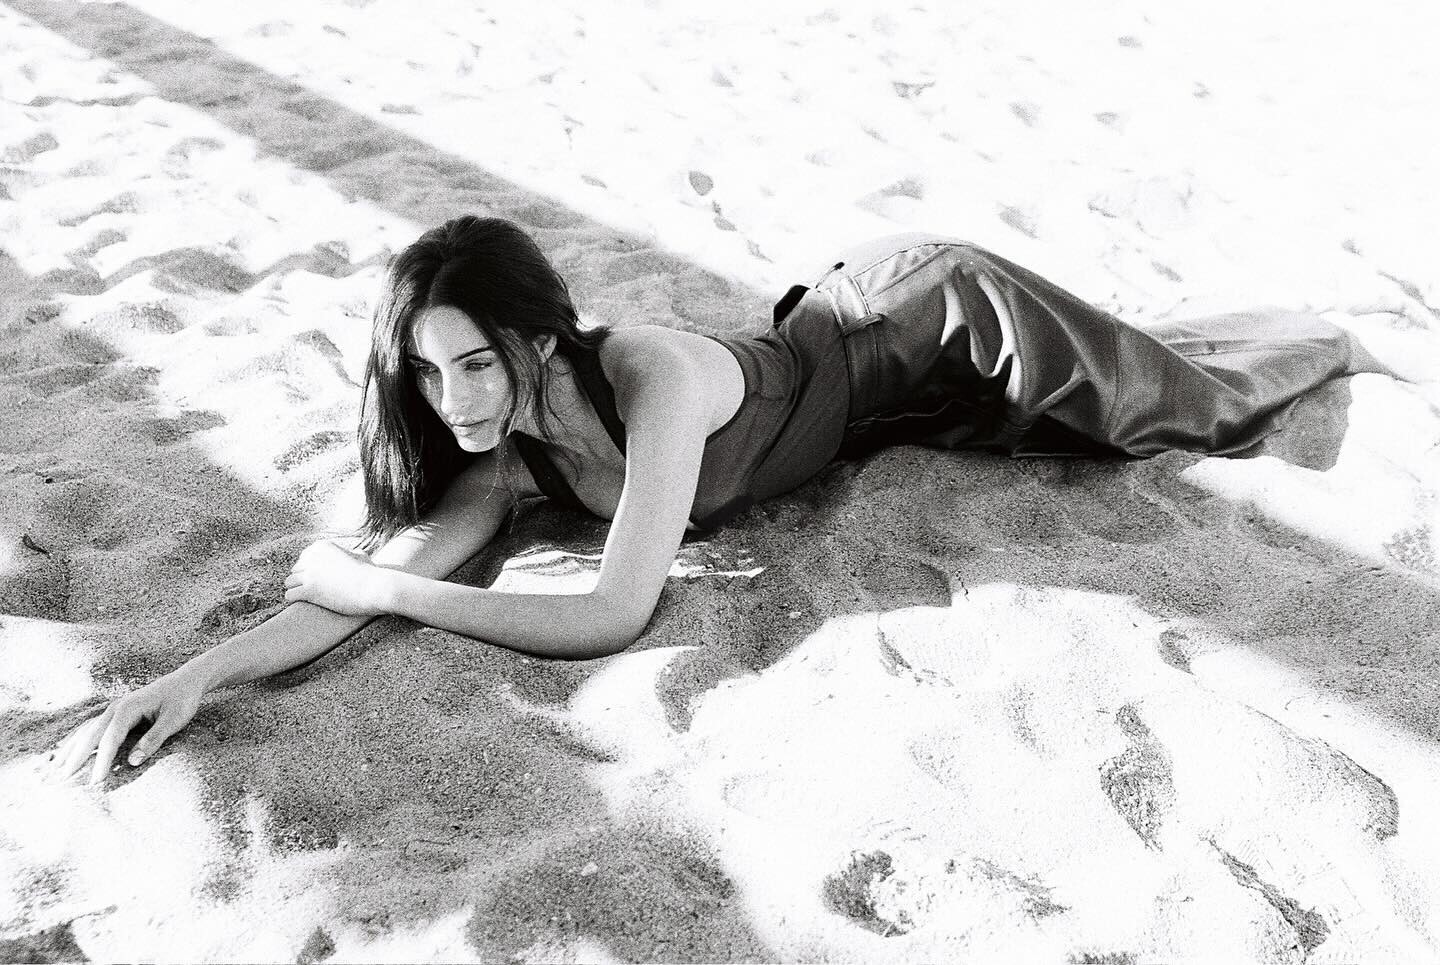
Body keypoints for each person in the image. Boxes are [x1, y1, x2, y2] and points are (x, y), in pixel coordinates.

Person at [49, 216, 1399, 785]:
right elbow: (346, 590)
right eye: (429, 371)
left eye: (477, 362)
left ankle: (1347, 333)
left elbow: (612, 613)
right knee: (1113, 403)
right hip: (874, 424)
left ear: (540, 335)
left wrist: (388, 591)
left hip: (922, 317)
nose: (453, 398)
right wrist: (198, 674)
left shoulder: (648, 378)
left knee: (1186, 411)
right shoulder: (503, 454)